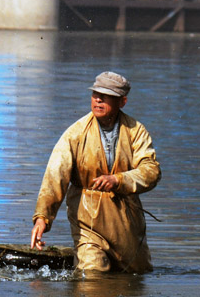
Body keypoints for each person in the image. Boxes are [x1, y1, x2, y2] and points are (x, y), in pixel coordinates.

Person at [30, 71, 161, 273]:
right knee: (92, 274)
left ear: (122, 102)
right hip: (87, 218)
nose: (98, 99)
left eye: (106, 96)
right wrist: (42, 218)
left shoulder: (136, 131)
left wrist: (119, 180)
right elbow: (55, 175)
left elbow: (151, 171)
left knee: (136, 275)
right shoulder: (75, 133)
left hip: (126, 221)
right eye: (95, 94)